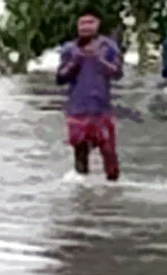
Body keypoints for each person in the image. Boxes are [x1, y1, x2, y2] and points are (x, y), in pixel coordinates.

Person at [56, 7, 123, 181]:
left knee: (109, 153)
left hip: (101, 110)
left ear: (98, 24)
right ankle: (83, 197)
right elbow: (60, 78)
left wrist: (100, 61)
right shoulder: (69, 49)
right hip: (78, 111)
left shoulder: (109, 47)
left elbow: (118, 73)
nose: (85, 27)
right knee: (80, 156)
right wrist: (75, 62)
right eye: (82, 23)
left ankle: (113, 193)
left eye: (90, 22)